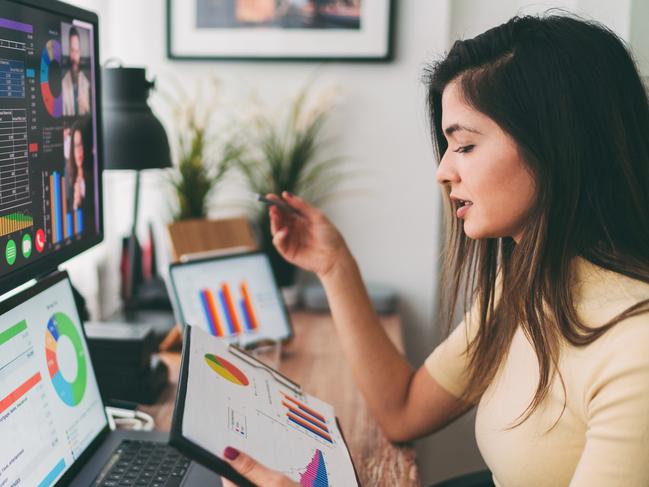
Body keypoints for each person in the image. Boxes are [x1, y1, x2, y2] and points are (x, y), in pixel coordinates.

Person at [219, 13, 649, 487]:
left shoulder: (636, 348)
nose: (443, 172)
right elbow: (403, 410)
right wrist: (334, 264)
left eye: (463, 146)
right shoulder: (527, 288)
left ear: (557, 145)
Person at [62, 26, 90, 116]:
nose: (74, 57)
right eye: (72, 51)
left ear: (80, 52)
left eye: (77, 51)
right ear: (68, 51)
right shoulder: (62, 84)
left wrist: (87, 107)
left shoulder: (87, 83)